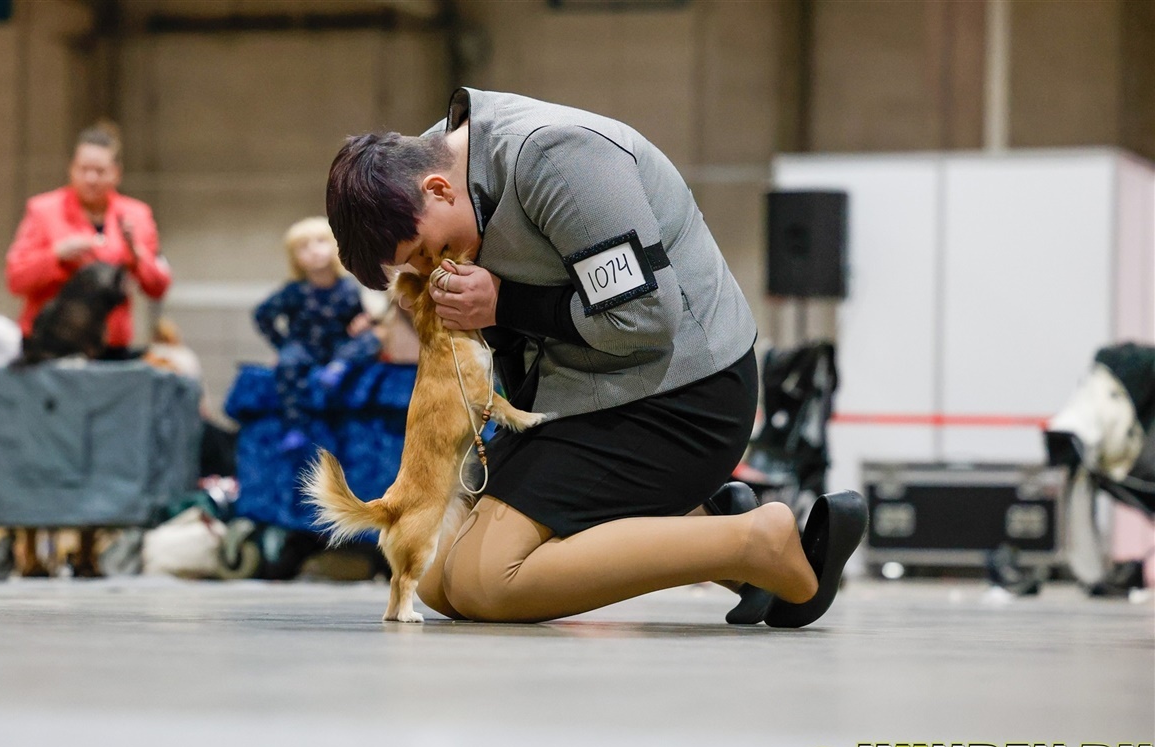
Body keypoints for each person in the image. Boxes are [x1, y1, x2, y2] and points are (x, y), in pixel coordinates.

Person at [325, 88, 867, 625]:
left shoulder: (561, 160)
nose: (430, 267)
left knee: (486, 582)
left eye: (424, 252)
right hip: (577, 394)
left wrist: (502, 304)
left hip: (682, 395)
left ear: (438, 189)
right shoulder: (432, 165)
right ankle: (703, 519)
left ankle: (755, 542)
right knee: (438, 578)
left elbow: (646, 319)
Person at [6, 121, 171, 358]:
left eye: (100, 171)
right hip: (48, 345)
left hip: (110, 346)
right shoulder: (43, 211)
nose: (91, 178)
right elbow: (15, 278)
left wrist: (136, 254)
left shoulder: (137, 216)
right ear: (71, 169)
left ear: (117, 173)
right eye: (83, 169)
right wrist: (56, 255)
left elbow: (159, 287)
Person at [253, 216, 380, 451]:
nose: (313, 250)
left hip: (339, 347)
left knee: (370, 340)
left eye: (320, 242)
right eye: (303, 247)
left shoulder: (349, 287)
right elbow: (262, 315)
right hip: (304, 347)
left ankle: (338, 368)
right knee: (288, 363)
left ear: (335, 247)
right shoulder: (294, 291)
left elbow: (367, 317)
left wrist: (365, 321)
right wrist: (282, 346)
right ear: (295, 258)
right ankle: (295, 427)